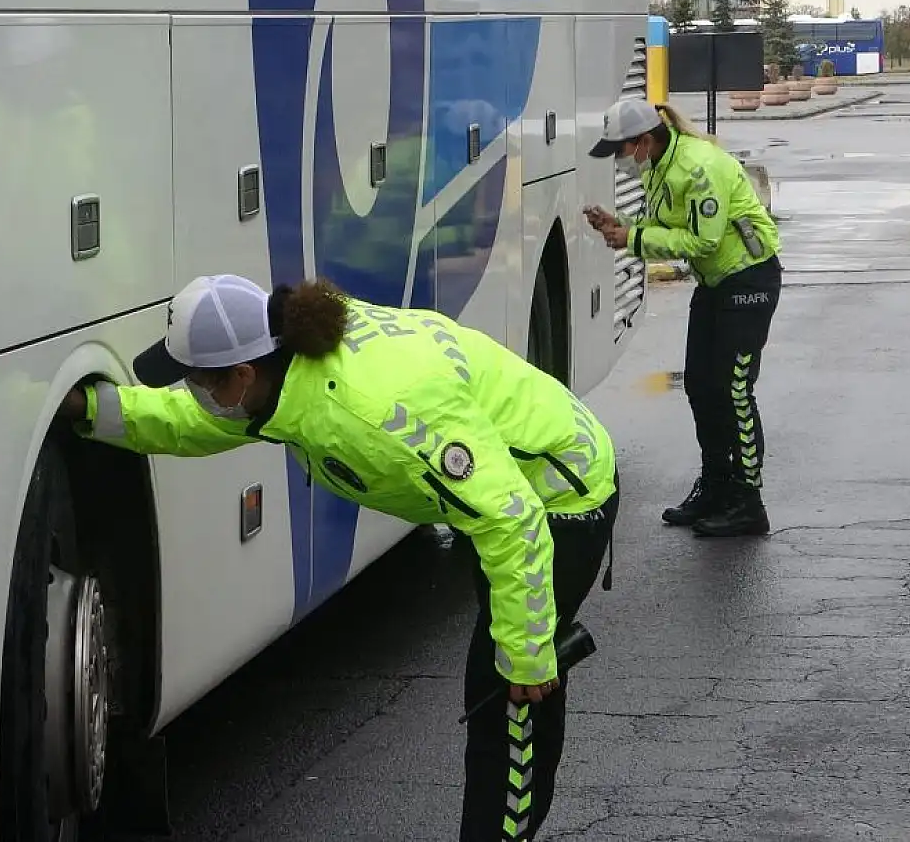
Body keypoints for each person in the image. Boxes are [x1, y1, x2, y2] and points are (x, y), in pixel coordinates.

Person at [56, 273, 620, 841]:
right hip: (504, 494)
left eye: (197, 380)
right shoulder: (291, 369)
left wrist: (526, 658)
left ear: (243, 374)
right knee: (517, 676)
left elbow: (513, 519)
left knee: (507, 697)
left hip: (561, 494)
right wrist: (91, 409)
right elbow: (189, 421)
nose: (192, 391)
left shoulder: (372, 414)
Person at [582, 99, 782, 537]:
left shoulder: (698, 167)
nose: (618, 160)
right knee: (700, 386)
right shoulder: (657, 165)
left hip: (748, 279)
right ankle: (715, 485)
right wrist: (620, 225)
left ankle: (749, 503)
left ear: (643, 140)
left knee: (734, 391)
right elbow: (662, 224)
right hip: (715, 283)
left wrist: (633, 238)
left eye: (619, 150)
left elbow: (704, 241)